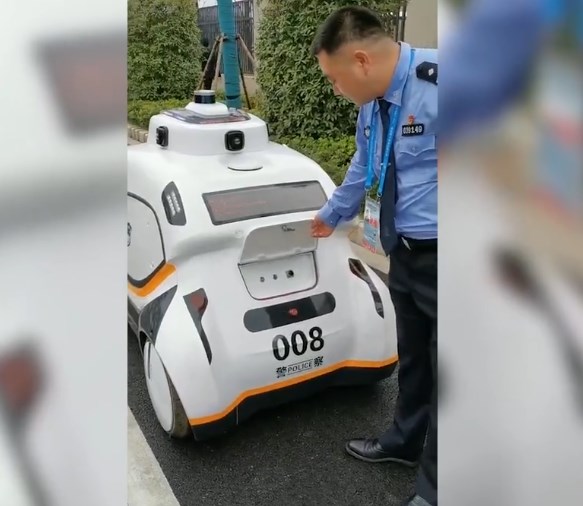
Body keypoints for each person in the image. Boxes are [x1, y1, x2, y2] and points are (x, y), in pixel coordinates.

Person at [310, 7, 437, 506]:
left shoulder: (444, 85)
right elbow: (364, 168)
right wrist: (330, 215)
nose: (336, 89)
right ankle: (404, 442)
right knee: (415, 358)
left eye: (335, 79)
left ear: (361, 60)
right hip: (402, 253)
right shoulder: (373, 104)